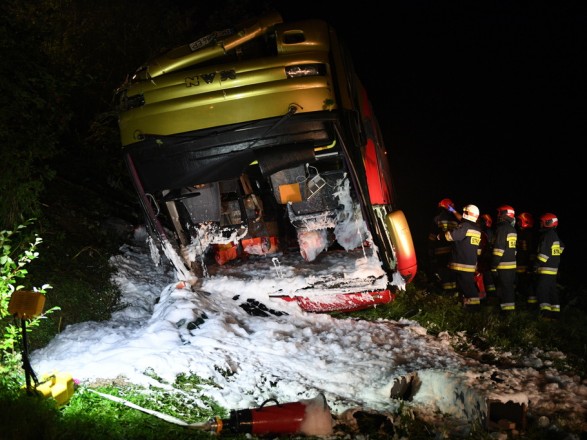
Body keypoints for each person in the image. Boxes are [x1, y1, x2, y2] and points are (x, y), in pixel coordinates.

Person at [440, 204, 482, 312]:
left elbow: (451, 236)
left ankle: (473, 309)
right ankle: (467, 307)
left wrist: (439, 236)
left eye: (464, 212)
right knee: (466, 286)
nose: (462, 214)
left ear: (467, 214)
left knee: (467, 288)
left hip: (461, 263)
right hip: (470, 263)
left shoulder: (465, 226)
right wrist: (452, 210)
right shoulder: (477, 229)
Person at [534, 213, 565, 320]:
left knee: (542, 291)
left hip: (545, 268)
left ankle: (546, 315)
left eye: (542, 222)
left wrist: (536, 264)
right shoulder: (554, 235)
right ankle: (556, 315)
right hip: (553, 269)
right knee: (552, 291)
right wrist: (554, 257)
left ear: (548, 222)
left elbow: (544, 254)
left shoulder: (547, 235)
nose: (540, 224)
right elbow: (562, 247)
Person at [427, 198, 461, 293]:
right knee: (453, 270)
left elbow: (432, 236)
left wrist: (430, 249)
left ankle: (447, 293)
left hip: (440, 250)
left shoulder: (437, 219)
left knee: (443, 271)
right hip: (453, 251)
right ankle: (454, 291)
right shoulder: (456, 219)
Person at [491, 205, 518, 313]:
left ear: (504, 214)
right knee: (508, 289)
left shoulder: (501, 229)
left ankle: (507, 314)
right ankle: (509, 312)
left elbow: (498, 249)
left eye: (499, 213)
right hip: (511, 265)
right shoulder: (512, 229)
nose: (498, 215)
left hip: (502, 265)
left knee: (503, 290)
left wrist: (493, 265)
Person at [515, 212, 537, 308]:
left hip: (524, 264)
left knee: (526, 283)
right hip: (521, 263)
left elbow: (530, 251)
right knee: (521, 283)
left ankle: (530, 305)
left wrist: (530, 265)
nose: (518, 223)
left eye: (520, 221)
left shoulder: (527, 234)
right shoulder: (522, 233)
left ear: (525, 222)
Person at [476, 213, 496, 301]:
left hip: (484, 257)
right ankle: (491, 296)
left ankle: (486, 296)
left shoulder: (484, 233)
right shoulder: (492, 232)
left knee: (485, 277)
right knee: (488, 277)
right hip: (489, 257)